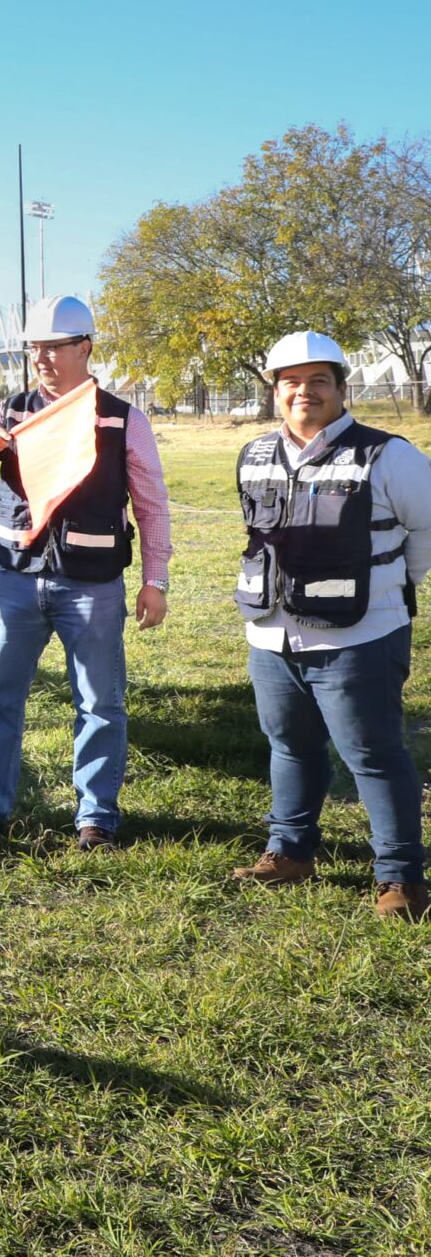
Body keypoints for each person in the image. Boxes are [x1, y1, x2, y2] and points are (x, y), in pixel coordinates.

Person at [0, 295, 169, 849]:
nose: (42, 357)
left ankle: (97, 817)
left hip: (93, 585)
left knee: (100, 702)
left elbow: (152, 502)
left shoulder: (121, 417)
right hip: (16, 579)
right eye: (35, 347)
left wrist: (155, 580)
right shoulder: (12, 409)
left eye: (54, 346)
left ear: (84, 347)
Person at [226, 332, 431, 920]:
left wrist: (390, 590)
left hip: (360, 635)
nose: (303, 392)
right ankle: (290, 852)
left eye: (318, 380)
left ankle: (402, 879)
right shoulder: (255, 453)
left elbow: (424, 532)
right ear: (274, 391)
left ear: (342, 389)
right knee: (289, 744)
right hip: (271, 635)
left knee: (373, 753)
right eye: (290, 381)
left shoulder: (388, 454)